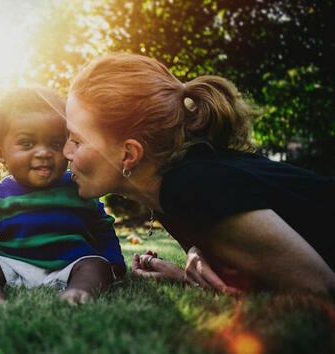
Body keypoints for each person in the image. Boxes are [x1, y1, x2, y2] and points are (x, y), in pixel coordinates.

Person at [62, 52, 335, 294]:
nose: (65, 152)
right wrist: (184, 273)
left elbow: (319, 285)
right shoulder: (168, 189)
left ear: (129, 154)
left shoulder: (194, 185)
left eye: (77, 140)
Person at [0, 86, 126, 304]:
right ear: (1, 153)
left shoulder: (79, 188)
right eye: (27, 143)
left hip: (71, 266)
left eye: (55, 143)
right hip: (13, 265)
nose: (43, 152)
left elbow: (102, 228)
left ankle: (78, 292)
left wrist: (113, 261)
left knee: (96, 265)